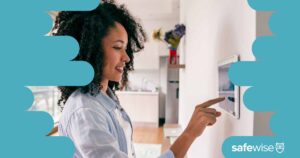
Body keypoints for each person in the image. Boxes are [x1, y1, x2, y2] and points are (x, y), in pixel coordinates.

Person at [52, 1, 225, 158]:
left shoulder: (105, 96)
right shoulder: (85, 111)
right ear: (89, 49)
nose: (126, 57)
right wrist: (189, 134)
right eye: (117, 47)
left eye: (125, 48)